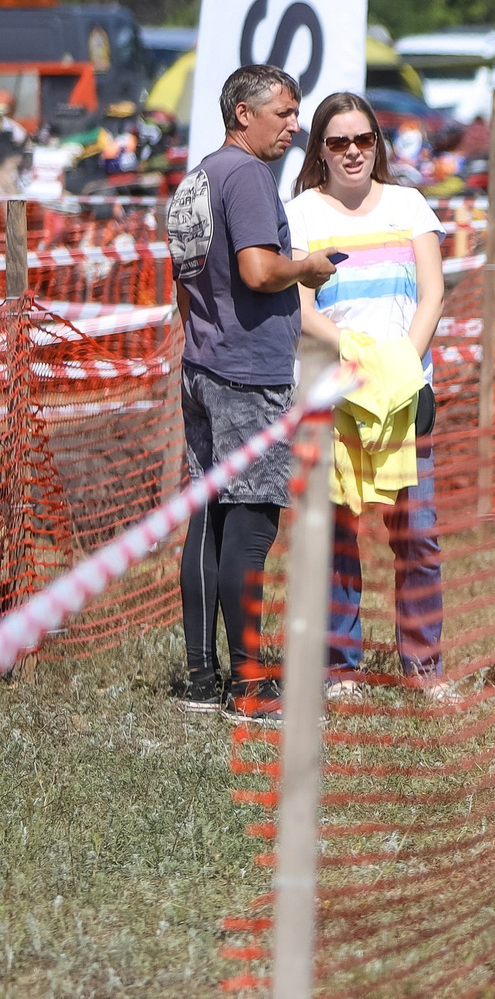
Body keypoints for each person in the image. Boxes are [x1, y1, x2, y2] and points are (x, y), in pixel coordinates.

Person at [166, 64, 340, 720]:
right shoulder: (245, 177)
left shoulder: (197, 177)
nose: (295, 126)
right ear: (244, 112)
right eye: (285, 113)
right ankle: (249, 684)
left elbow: (185, 281)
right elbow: (258, 269)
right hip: (247, 373)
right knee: (251, 524)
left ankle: (201, 679)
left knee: (207, 520)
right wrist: (309, 267)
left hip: (204, 362)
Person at [287, 90, 450, 700]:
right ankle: (341, 665)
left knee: (417, 532)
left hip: (407, 392)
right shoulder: (302, 213)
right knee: (337, 530)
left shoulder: (410, 204)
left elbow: (433, 293)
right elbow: (300, 307)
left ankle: (424, 665)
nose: (353, 152)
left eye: (363, 140)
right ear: (321, 150)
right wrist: (357, 357)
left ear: (377, 145)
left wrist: (400, 366)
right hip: (337, 394)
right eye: (338, 142)